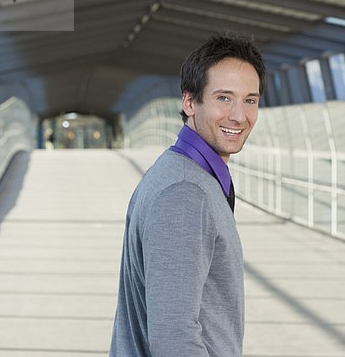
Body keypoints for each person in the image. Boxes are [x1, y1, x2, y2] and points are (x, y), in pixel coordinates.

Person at [109, 34, 266, 356]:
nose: (239, 116)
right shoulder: (184, 194)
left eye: (250, 100)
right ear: (190, 102)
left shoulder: (185, 175)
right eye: (224, 98)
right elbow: (173, 338)